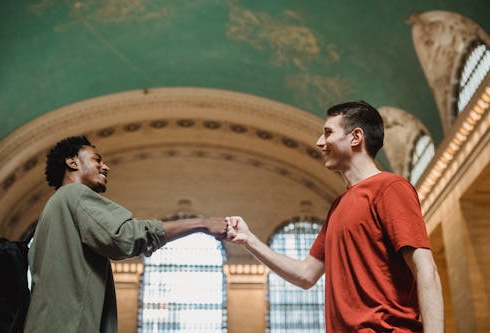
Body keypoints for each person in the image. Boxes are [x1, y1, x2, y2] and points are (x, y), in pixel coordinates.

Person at [226, 101, 444, 332]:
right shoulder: (338, 207)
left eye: (328, 132)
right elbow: (305, 275)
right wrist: (249, 240)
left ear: (355, 137)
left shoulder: (390, 188)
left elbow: (425, 269)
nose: (320, 142)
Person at [24, 136, 227, 333]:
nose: (105, 167)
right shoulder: (75, 194)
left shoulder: (53, 208)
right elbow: (125, 237)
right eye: (97, 159)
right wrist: (203, 224)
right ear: (73, 162)